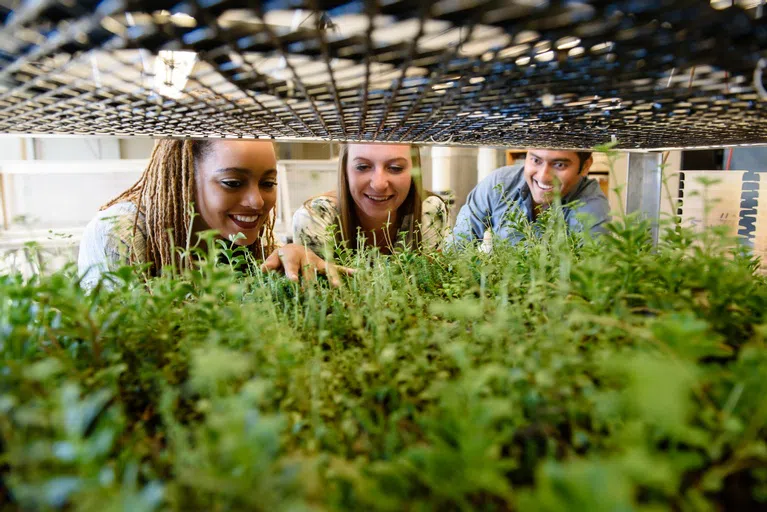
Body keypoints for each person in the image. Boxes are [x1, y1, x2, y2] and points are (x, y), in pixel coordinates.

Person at [78, 138, 348, 288]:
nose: (256, 202)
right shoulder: (119, 232)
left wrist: (289, 256)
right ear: (182, 179)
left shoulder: (239, 237)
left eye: (267, 184)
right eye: (232, 183)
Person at [292, 143, 448, 256]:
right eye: (362, 167)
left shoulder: (428, 211)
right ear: (345, 170)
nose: (379, 184)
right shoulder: (317, 216)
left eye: (395, 168)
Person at [453, 149, 610, 245]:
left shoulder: (592, 207)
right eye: (536, 160)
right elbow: (458, 245)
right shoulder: (499, 184)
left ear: (586, 166)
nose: (543, 176)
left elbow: (590, 279)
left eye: (559, 165)